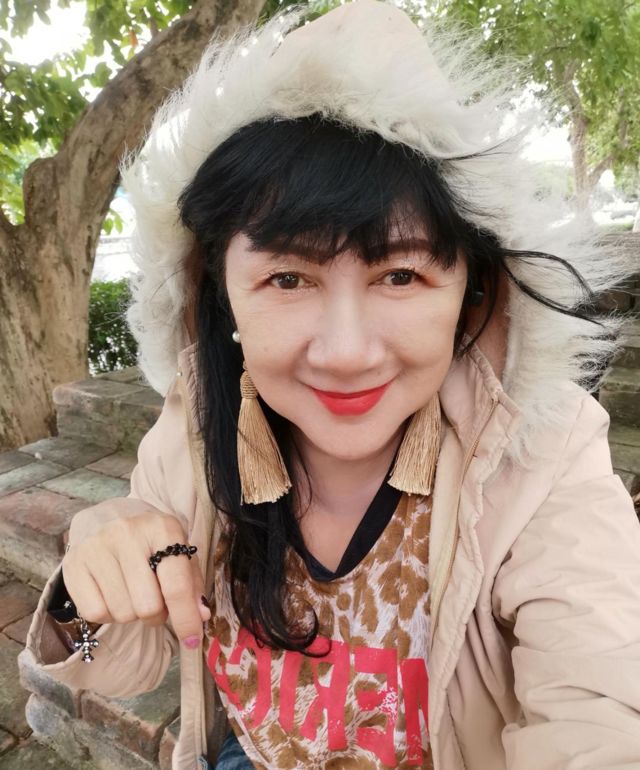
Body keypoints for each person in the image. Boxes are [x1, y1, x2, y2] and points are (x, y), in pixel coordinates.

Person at [23, 1, 640, 769]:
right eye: (288, 278)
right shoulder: (194, 434)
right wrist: (86, 596)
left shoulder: (543, 456)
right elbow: (127, 661)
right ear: (221, 292)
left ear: (473, 291)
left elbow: (600, 708)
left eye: (402, 275)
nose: (347, 353)